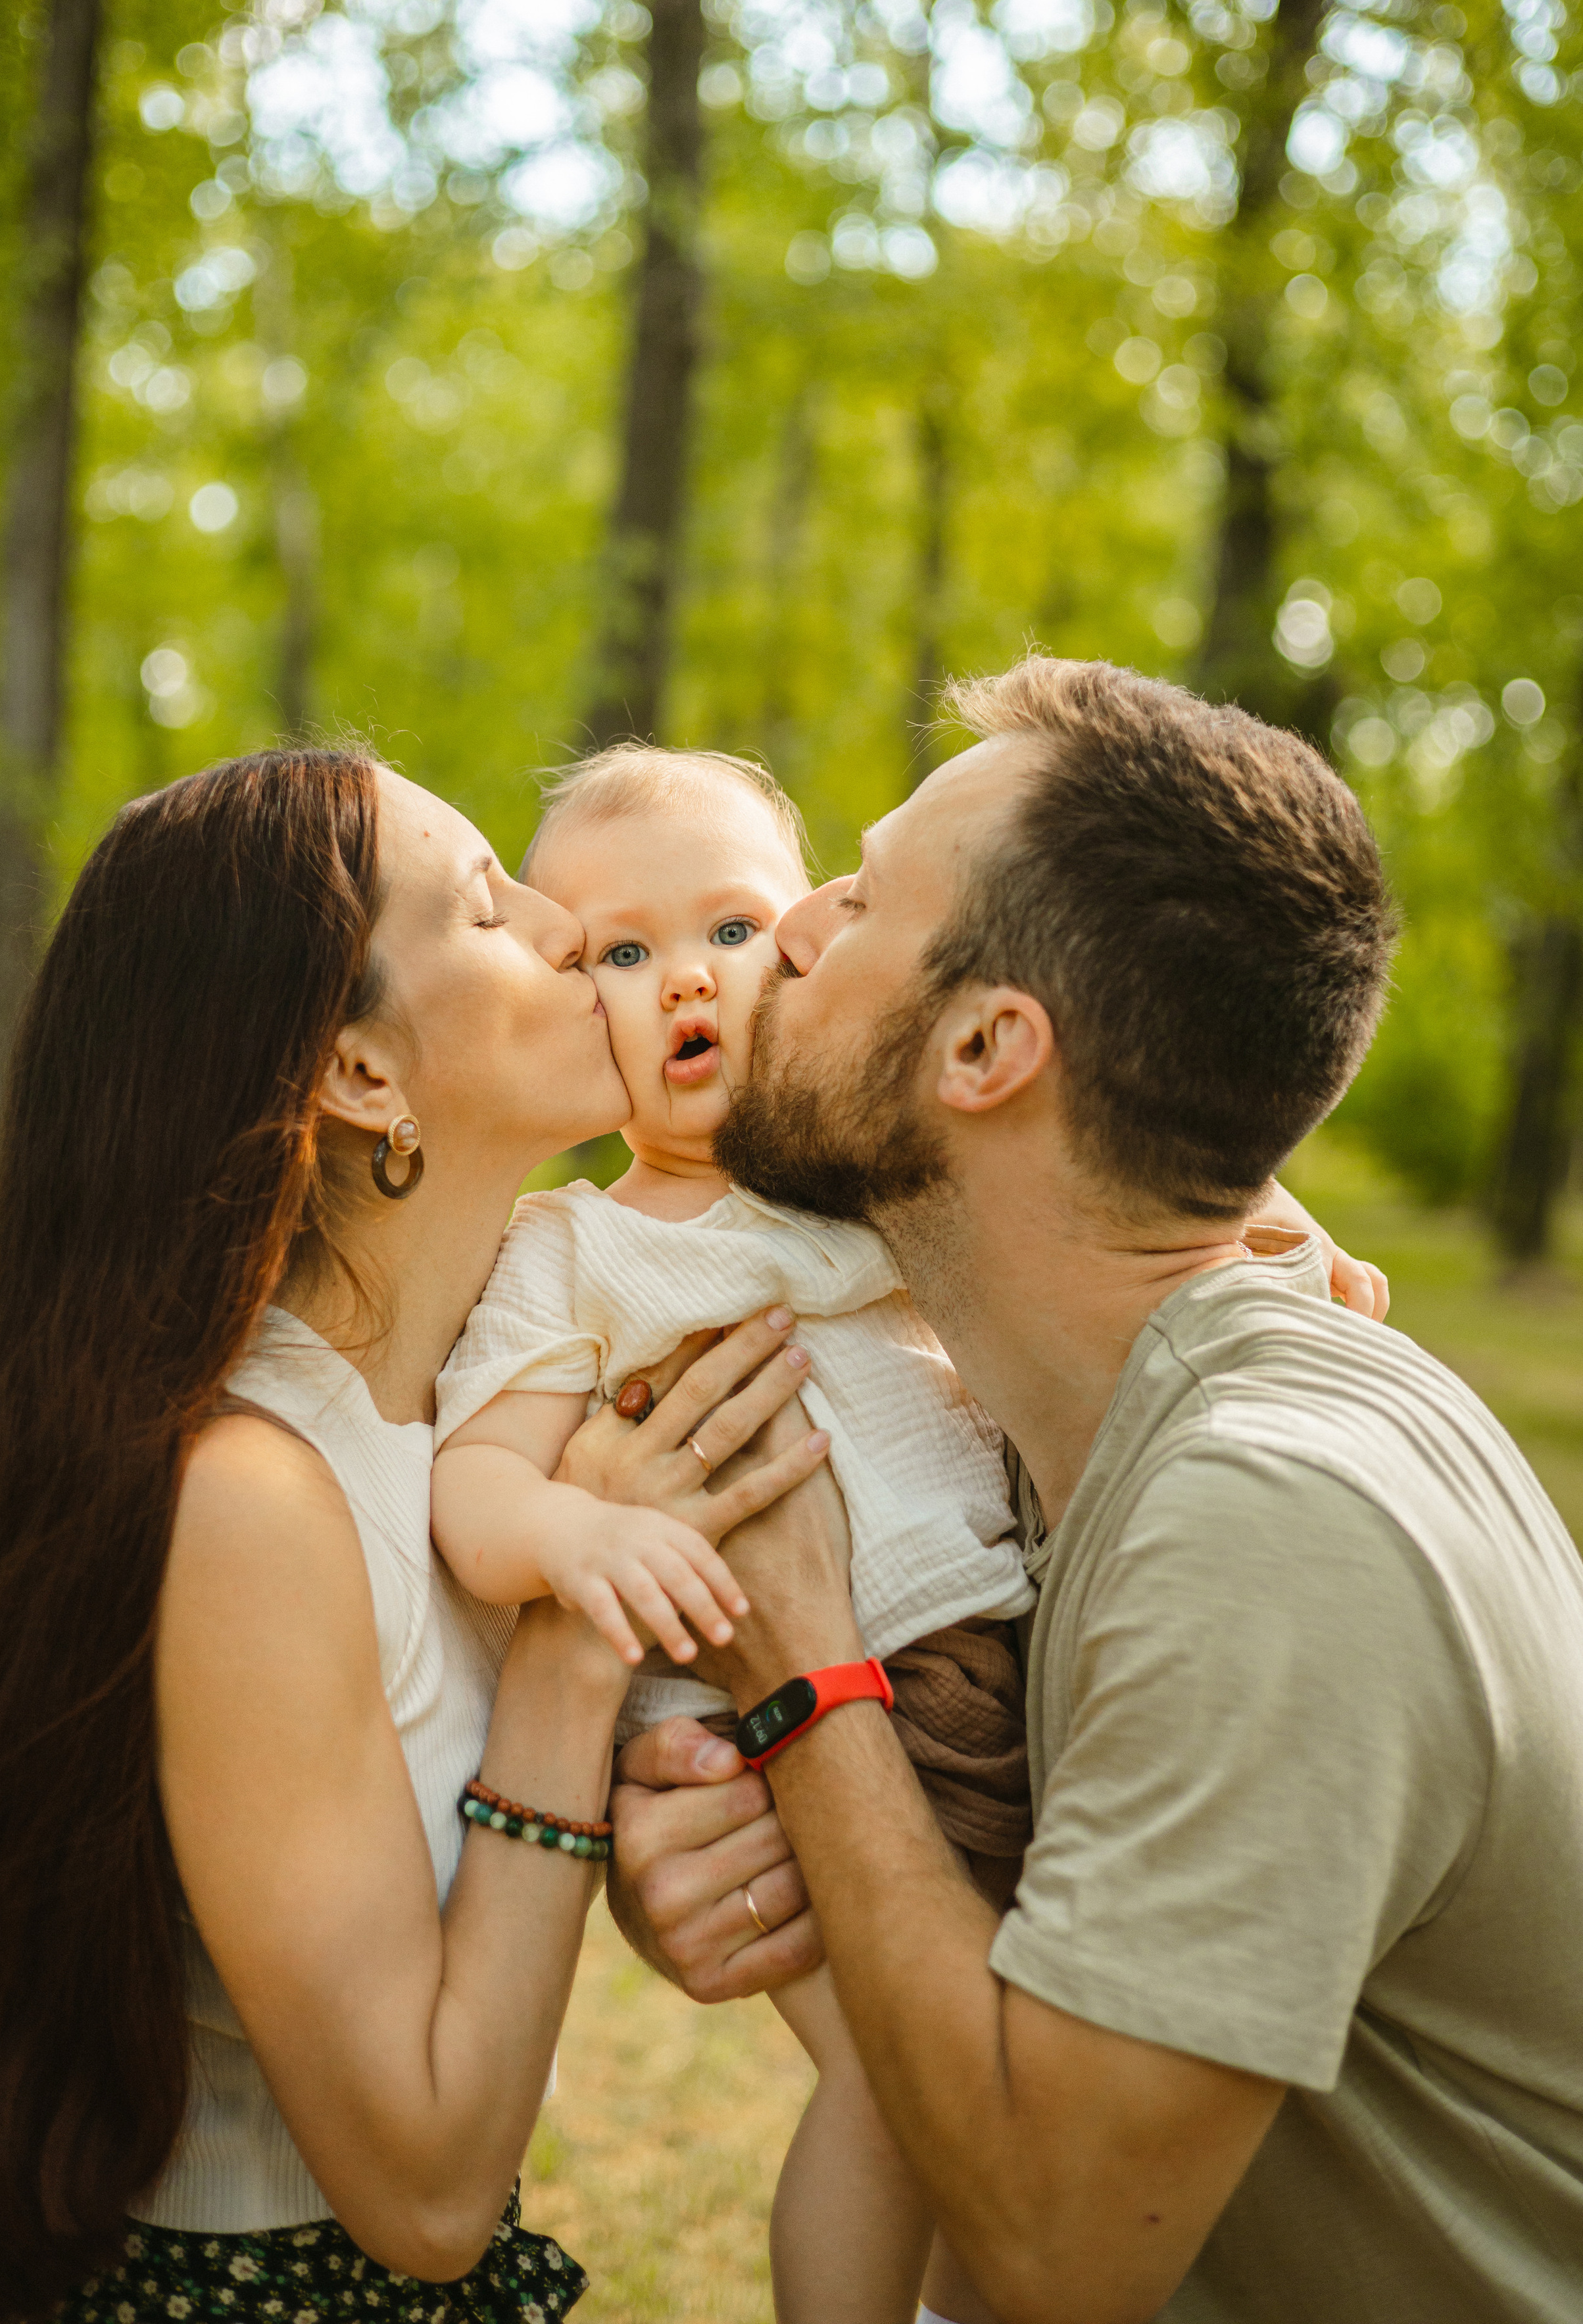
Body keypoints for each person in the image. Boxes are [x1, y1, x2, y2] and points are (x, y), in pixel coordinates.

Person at [608, 658, 1583, 2324]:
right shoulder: (1087, 1417)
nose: (787, 929)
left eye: (858, 902)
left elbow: (1051, 2244)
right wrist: (733, 1830)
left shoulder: (1267, 1524)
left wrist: (806, 1680)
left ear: (987, 1045)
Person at [0, 747, 823, 2324]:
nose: (562, 925)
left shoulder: (473, 1402)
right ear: (364, 1077)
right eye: (488, 906)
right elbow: (426, 2190)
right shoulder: (250, 1502)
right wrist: (570, 1656)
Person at [428, 742, 1034, 2324]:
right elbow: (474, 1486)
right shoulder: (571, 1248)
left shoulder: (860, 1174)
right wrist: (572, 1538)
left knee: (1022, 2079)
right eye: (620, 953)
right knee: (891, 2080)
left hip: (1005, 1660)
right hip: (781, 1740)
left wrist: (1272, 1233)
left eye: (730, 929)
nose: (683, 979)